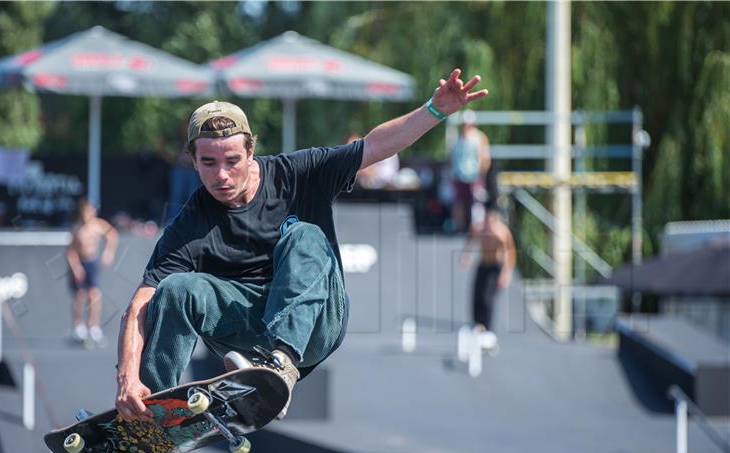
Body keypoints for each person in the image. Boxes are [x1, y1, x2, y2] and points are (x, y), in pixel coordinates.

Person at [115, 68, 488, 422]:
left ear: (251, 152)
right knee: (177, 289)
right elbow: (140, 304)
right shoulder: (192, 222)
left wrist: (435, 110)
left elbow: (374, 147)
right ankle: (154, 407)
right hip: (249, 333)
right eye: (209, 163)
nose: (222, 176)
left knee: (304, 235)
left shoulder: (298, 173)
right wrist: (127, 378)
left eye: (232, 161)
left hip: (317, 320)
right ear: (193, 160)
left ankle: (280, 364)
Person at [459, 206, 515, 347]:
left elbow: (510, 253)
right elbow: (470, 239)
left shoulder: (501, 233)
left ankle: (487, 328)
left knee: (487, 298)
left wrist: (506, 273)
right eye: (486, 221)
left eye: (491, 222)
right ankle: (477, 324)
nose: (488, 225)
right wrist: (466, 254)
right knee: (476, 295)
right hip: (482, 265)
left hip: (495, 268)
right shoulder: (480, 229)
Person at [67, 198, 118, 345]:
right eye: (85, 213)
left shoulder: (98, 225)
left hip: (92, 263)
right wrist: (76, 267)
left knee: (94, 294)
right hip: (80, 263)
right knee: (80, 295)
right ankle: (78, 326)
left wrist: (109, 252)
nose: (87, 217)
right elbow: (71, 251)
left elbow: (112, 235)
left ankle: (93, 326)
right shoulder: (77, 229)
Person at [450, 110, 491, 232]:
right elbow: (452, 157)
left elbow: (485, 157)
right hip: (459, 175)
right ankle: (459, 226)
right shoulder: (458, 138)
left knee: (477, 202)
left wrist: (482, 174)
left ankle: (477, 228)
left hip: (475, 175)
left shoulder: (480, 138)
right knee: (459, 202)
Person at [158, 120, 201, 225]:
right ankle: (172, 221)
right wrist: (174, 159)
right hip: (178, 169)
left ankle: (194, 220)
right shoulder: (176, 138)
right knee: (176, 196)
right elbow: (166, 152)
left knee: (193, 194)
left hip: (192, 170)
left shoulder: (196, 138)